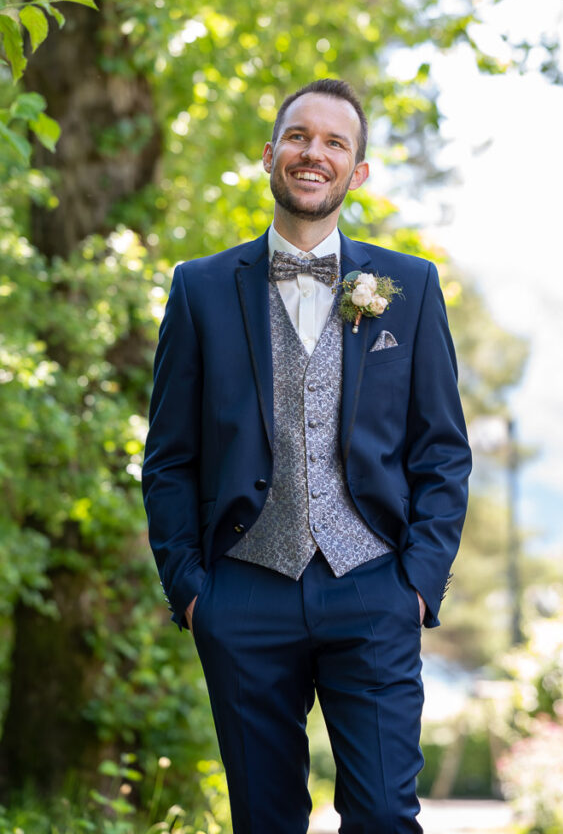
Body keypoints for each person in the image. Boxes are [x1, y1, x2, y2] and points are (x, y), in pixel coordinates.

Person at [142, 78, 472, 834]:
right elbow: (168, 457)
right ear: (269, 156)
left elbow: (442, 452)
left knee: (386, 816)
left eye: (334, 142)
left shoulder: (410, 288)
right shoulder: (197, 289)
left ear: (357, 172)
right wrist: (193, 590)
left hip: (374, 587)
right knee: (264, 820)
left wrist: (416, 583)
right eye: (297, 136)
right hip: (242, 591)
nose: (312, 153)